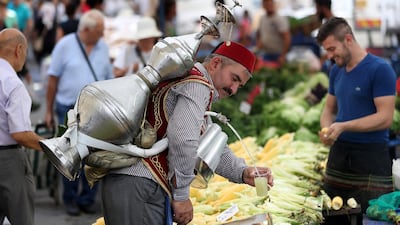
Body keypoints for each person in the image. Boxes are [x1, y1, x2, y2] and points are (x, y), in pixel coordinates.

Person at [101, 41, 274, 225]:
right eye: (235, 78)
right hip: (140, 185)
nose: (233, 89)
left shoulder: (191, 79)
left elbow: (206, 143)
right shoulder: (197, 85)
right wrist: (182, 196)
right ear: (215, 64)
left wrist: (242, 172)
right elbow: (184, 139)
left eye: (240, 85)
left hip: (132, 184)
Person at [316, 17, 396, 225]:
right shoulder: (336, 71)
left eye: (333, 49)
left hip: (371, 158)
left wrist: (343, 126)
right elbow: (328, 109)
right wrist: (327, 129)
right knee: (333, 217)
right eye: (327, 50)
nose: (330, 56)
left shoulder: (380, 69)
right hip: (339, 156)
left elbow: (385, 118)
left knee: (372, 217)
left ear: (348, 39)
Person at [45, 9, 113, 216]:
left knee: (92, 155)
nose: (102, 35)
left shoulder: (103, 47)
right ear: (85, 29)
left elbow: (108, 80)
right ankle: (71, 198)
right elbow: (52, 80)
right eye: (99, 31)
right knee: (69, 156)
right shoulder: (65, 45)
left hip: (95, 110)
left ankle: (87, 198)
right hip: (68, 108)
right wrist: (48, 110)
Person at [0, 28, 43, 225]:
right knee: (21, 218)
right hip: (7, 161)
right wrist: (50, 145)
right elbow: (21, 134)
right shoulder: (12, 84)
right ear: (19, 50)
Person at [256, 0, 291, 66]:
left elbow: (287, 37)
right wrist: (258, 47)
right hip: (267, 53)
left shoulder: (279, 19)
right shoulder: (262, 18)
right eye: (266, 2)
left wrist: (283, 55)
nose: (268, 4)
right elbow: (260, 34)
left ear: (273, 4)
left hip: (278, 54)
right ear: (263, 5)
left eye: (270, 2)